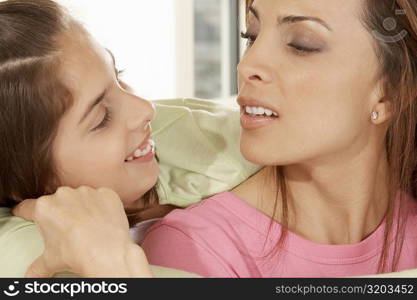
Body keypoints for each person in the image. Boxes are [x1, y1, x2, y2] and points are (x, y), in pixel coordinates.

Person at [140, 0, 417, 277]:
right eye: (251, 36)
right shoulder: (194, 250)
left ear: (391, 94)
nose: (247, 65)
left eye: (301, 44)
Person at [0, 0, 260, 277]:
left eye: (119, 77)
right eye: (102, 119)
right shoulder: (27, 261)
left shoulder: (171, 128)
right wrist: (112, 266)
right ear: (20, 172)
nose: (145, 109)